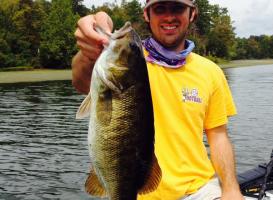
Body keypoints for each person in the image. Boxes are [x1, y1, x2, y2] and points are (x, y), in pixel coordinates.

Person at [72, 0, 250, 199]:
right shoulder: (131, 59)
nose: (168, 17)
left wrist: (231, 189)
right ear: (146, 15)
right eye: (159, 9)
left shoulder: (211, 71)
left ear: (193, 14)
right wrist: (89, 51)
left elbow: (218, 137)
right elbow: (81, 81)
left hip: (200, 191)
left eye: (177, 8)